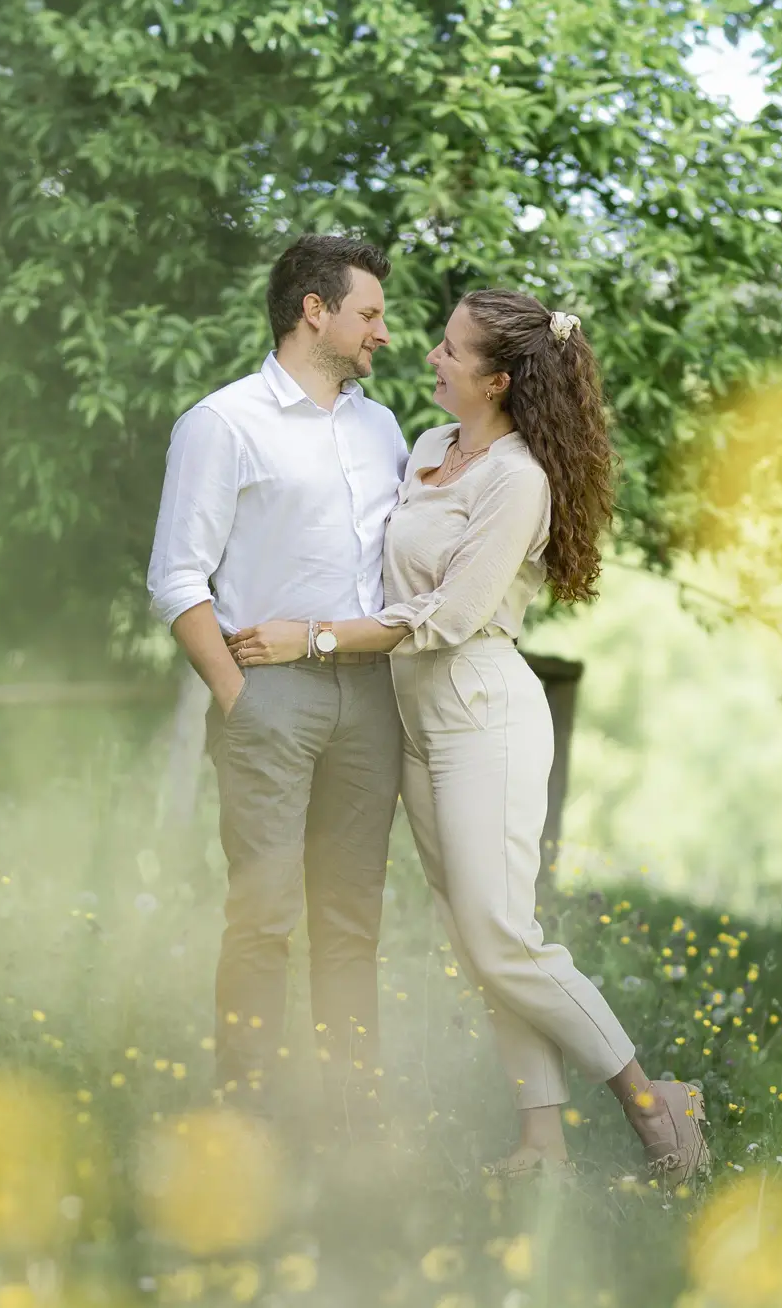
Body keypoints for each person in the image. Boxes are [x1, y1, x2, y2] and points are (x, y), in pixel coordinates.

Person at [226, 287, 711, 1185]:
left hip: (482, 716)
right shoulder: (429, 449)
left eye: (451, 351)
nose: (430, 357)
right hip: (412, 723)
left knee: (499, 935)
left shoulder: (518, 479)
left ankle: (656, 1103)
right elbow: (385, 582)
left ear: (496, 379)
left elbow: (446, 619)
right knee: (472, 933)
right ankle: (542, 1145)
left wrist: (315, 638)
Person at [146, 233, 406, 1131]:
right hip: (270, 698)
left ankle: (351, 1122)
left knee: (350, 923)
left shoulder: (381, 427)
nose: (384, 332)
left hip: (371, 699)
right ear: (315, 311)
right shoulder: (221, 424)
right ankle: (245, 1123)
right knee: (261, 920)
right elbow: (178, 580)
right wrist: (239, 697)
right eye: (369, 313)